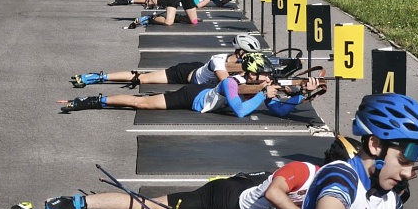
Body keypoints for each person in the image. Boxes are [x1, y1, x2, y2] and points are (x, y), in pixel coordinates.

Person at [44, 152, 347, 209]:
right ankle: (74, 203)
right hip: (227, 198)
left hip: (255, 197)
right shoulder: (303, 170)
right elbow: (273, 193)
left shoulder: (342, 190)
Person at [298, 93, 418, 209]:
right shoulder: (340, 175)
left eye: (411, 163)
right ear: (375, 145)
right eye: (402, 160)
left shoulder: (393, 203)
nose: (408, 173)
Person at [59, 52, 323, 118]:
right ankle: (94, 100)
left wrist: (302, 95)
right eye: (264, 75)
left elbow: (279, 111)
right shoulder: (231, 83)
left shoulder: (259, 86)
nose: (268, 79)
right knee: (142, 103)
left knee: (143, 100)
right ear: (252, 74)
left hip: (205, 96)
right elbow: (242, 111)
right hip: (193, 96)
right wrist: (264, 94)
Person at [71, 33, 262, 87]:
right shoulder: (219, 60)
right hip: (185, 73)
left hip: (198, 70)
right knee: (142, 78)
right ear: (241, 52)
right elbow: (227, 82)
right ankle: (98, 77)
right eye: (249, 54)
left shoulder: (242, 65)